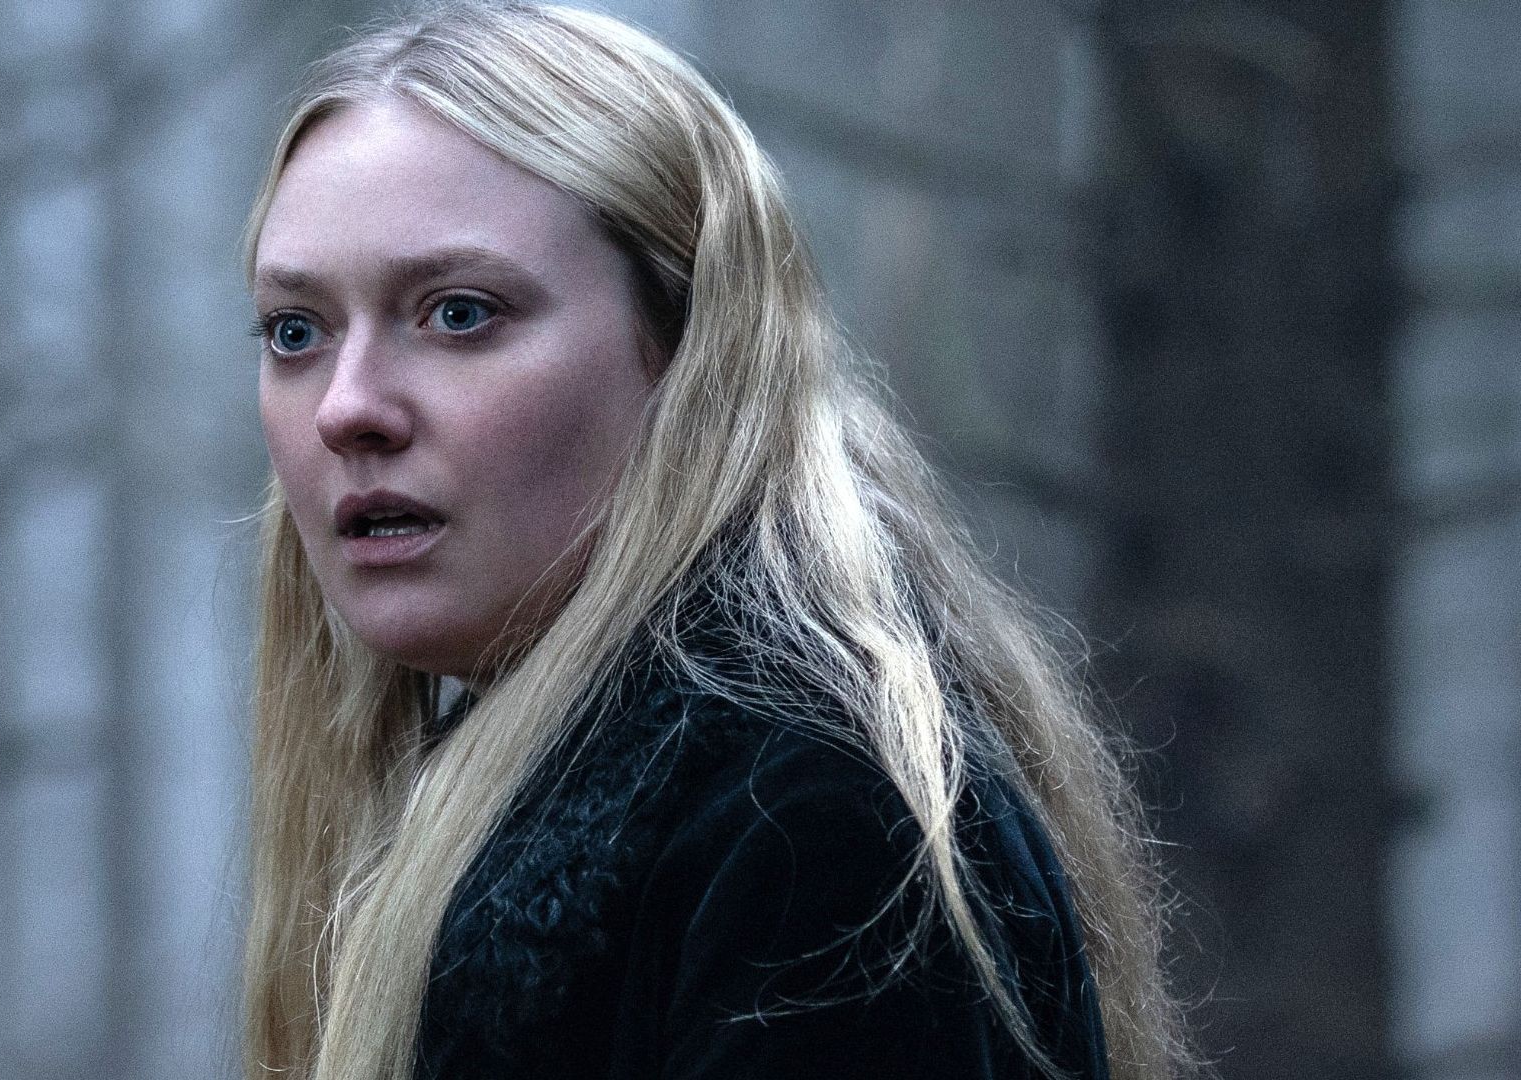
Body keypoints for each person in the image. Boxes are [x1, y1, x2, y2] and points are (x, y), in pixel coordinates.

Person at [238, 4, 1192, 1079]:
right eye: (295, 331)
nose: (346, 408)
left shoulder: (813, 827)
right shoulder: (636, 809)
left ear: (691, 352)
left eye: (459, 313)